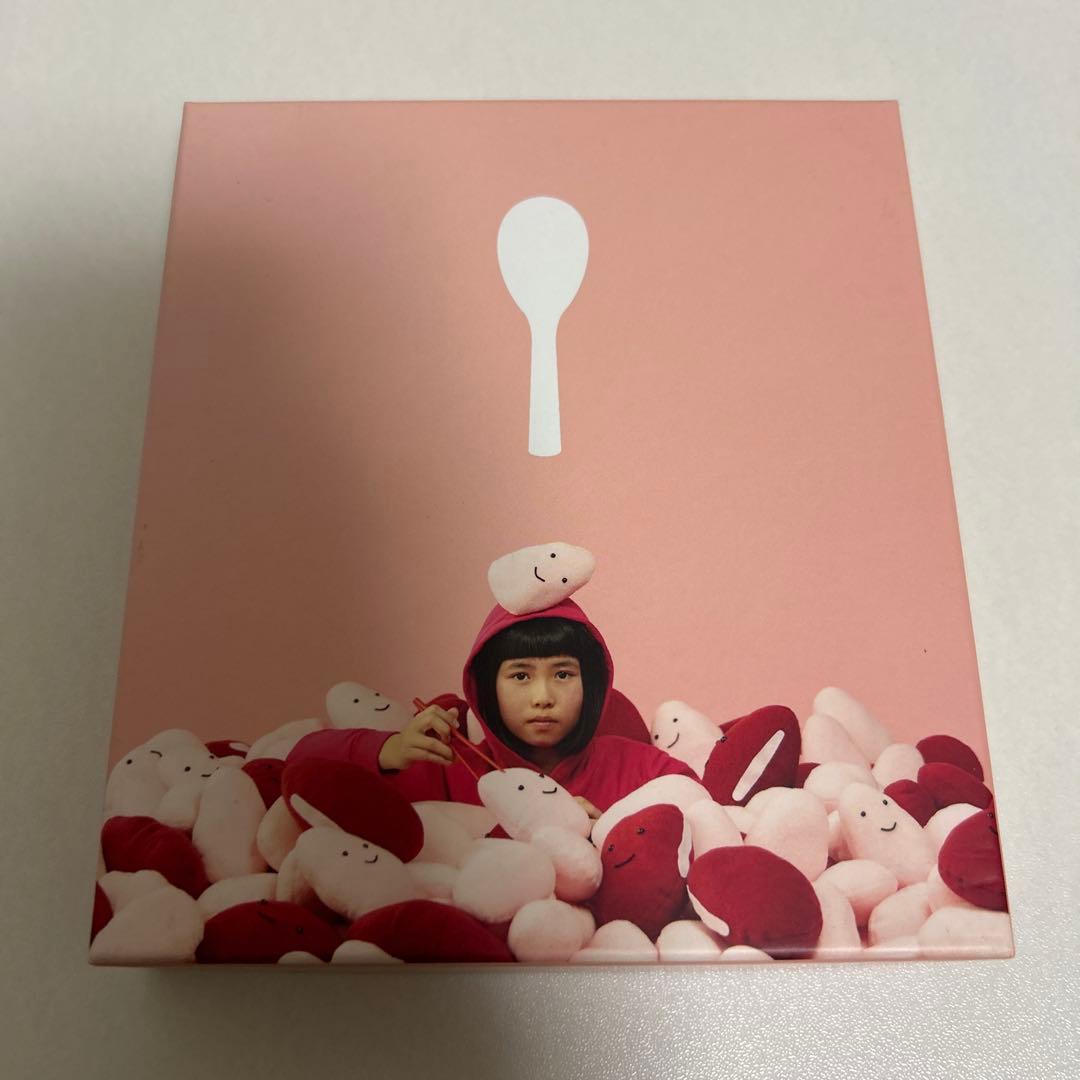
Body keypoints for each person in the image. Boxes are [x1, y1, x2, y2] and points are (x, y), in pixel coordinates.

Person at [287, 597, 696, 813]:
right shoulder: (451, 767)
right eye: (520, 676)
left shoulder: (634, 768)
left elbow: (697, 805)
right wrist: (389, 750)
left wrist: (609, 831)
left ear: (591, 685)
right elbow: (302, 763)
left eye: (563, 674)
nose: (542, 697)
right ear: (486, 688)